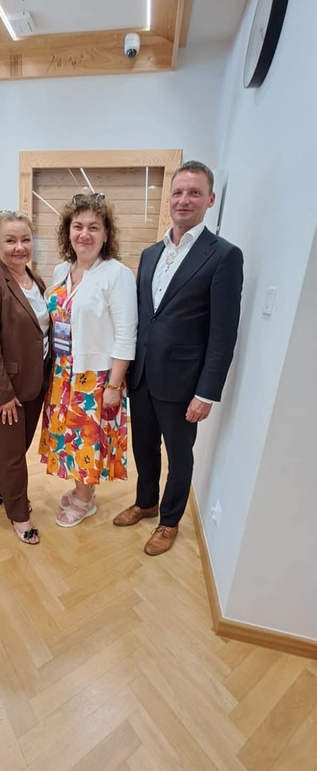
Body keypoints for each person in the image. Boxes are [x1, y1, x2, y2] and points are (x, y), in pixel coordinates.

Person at [113, 161, 244, 556]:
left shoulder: (223, 256)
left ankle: (169, 521)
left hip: (184, 382)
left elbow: (223, 334)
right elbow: (143, 317)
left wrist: (206, 392)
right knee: (143, 445)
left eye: (194, 193)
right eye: (178, 192)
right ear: (169, 198)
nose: (184, 200)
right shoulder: (151, 254)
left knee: (179, 454)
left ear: (210, 199)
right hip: (142, 375)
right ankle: (146, 502)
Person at [39, 192, 138, 527]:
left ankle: (83, 500)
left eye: (94, 227)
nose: (84, 234)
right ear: (67, 231)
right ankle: (83, 490)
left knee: (87, 437)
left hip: (94, 376)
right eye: (77, 226)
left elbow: (126, 334)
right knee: (67, 435)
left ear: (106, 234)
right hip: (61, 371)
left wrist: (114, 385)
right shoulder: (61, 271)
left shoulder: (116, 274)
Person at [0, 211, 50, 545]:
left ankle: (4, 489)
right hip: (1, 388)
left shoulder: (34, 278)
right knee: (12, 456)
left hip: (33, 382)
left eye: (25, 239)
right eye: (10, 240)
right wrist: (2, 394)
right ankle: (19, 515)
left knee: (16, 448)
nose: (19, 247)